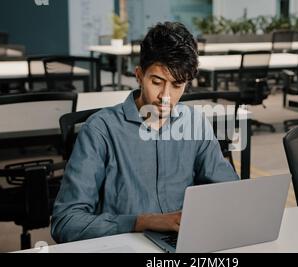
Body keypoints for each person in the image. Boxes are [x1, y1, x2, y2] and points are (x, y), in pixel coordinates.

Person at [51, 22, 239, 243]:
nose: (166, 97)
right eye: (157, 82)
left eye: (177, 85)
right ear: (139, 75)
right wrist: (142, 221)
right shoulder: (100, 131)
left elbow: (231, 194)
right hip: (124, 243)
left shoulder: (195, 123)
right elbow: (66, 222)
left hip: (185, 243)